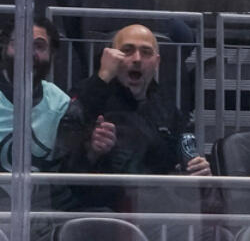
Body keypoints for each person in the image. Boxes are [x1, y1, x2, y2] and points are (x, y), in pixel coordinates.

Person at [50, 23, 210, 212]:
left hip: (153, 208)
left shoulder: (165, 106)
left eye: (146, 52)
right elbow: (67, 144)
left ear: (157, 62)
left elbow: (175, 158)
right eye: (127, 51)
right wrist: (92, 151)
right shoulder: (90, 93)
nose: (137, 59)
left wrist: (196, 168)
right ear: (111, 57)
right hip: (97, 208)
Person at [0, 17, 69, 172]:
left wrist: (92, 150)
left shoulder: (60, 103)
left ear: (52, 54)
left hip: (40, 196)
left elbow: (66, 167)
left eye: (39, 46)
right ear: (4, 48)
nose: (29, 54)